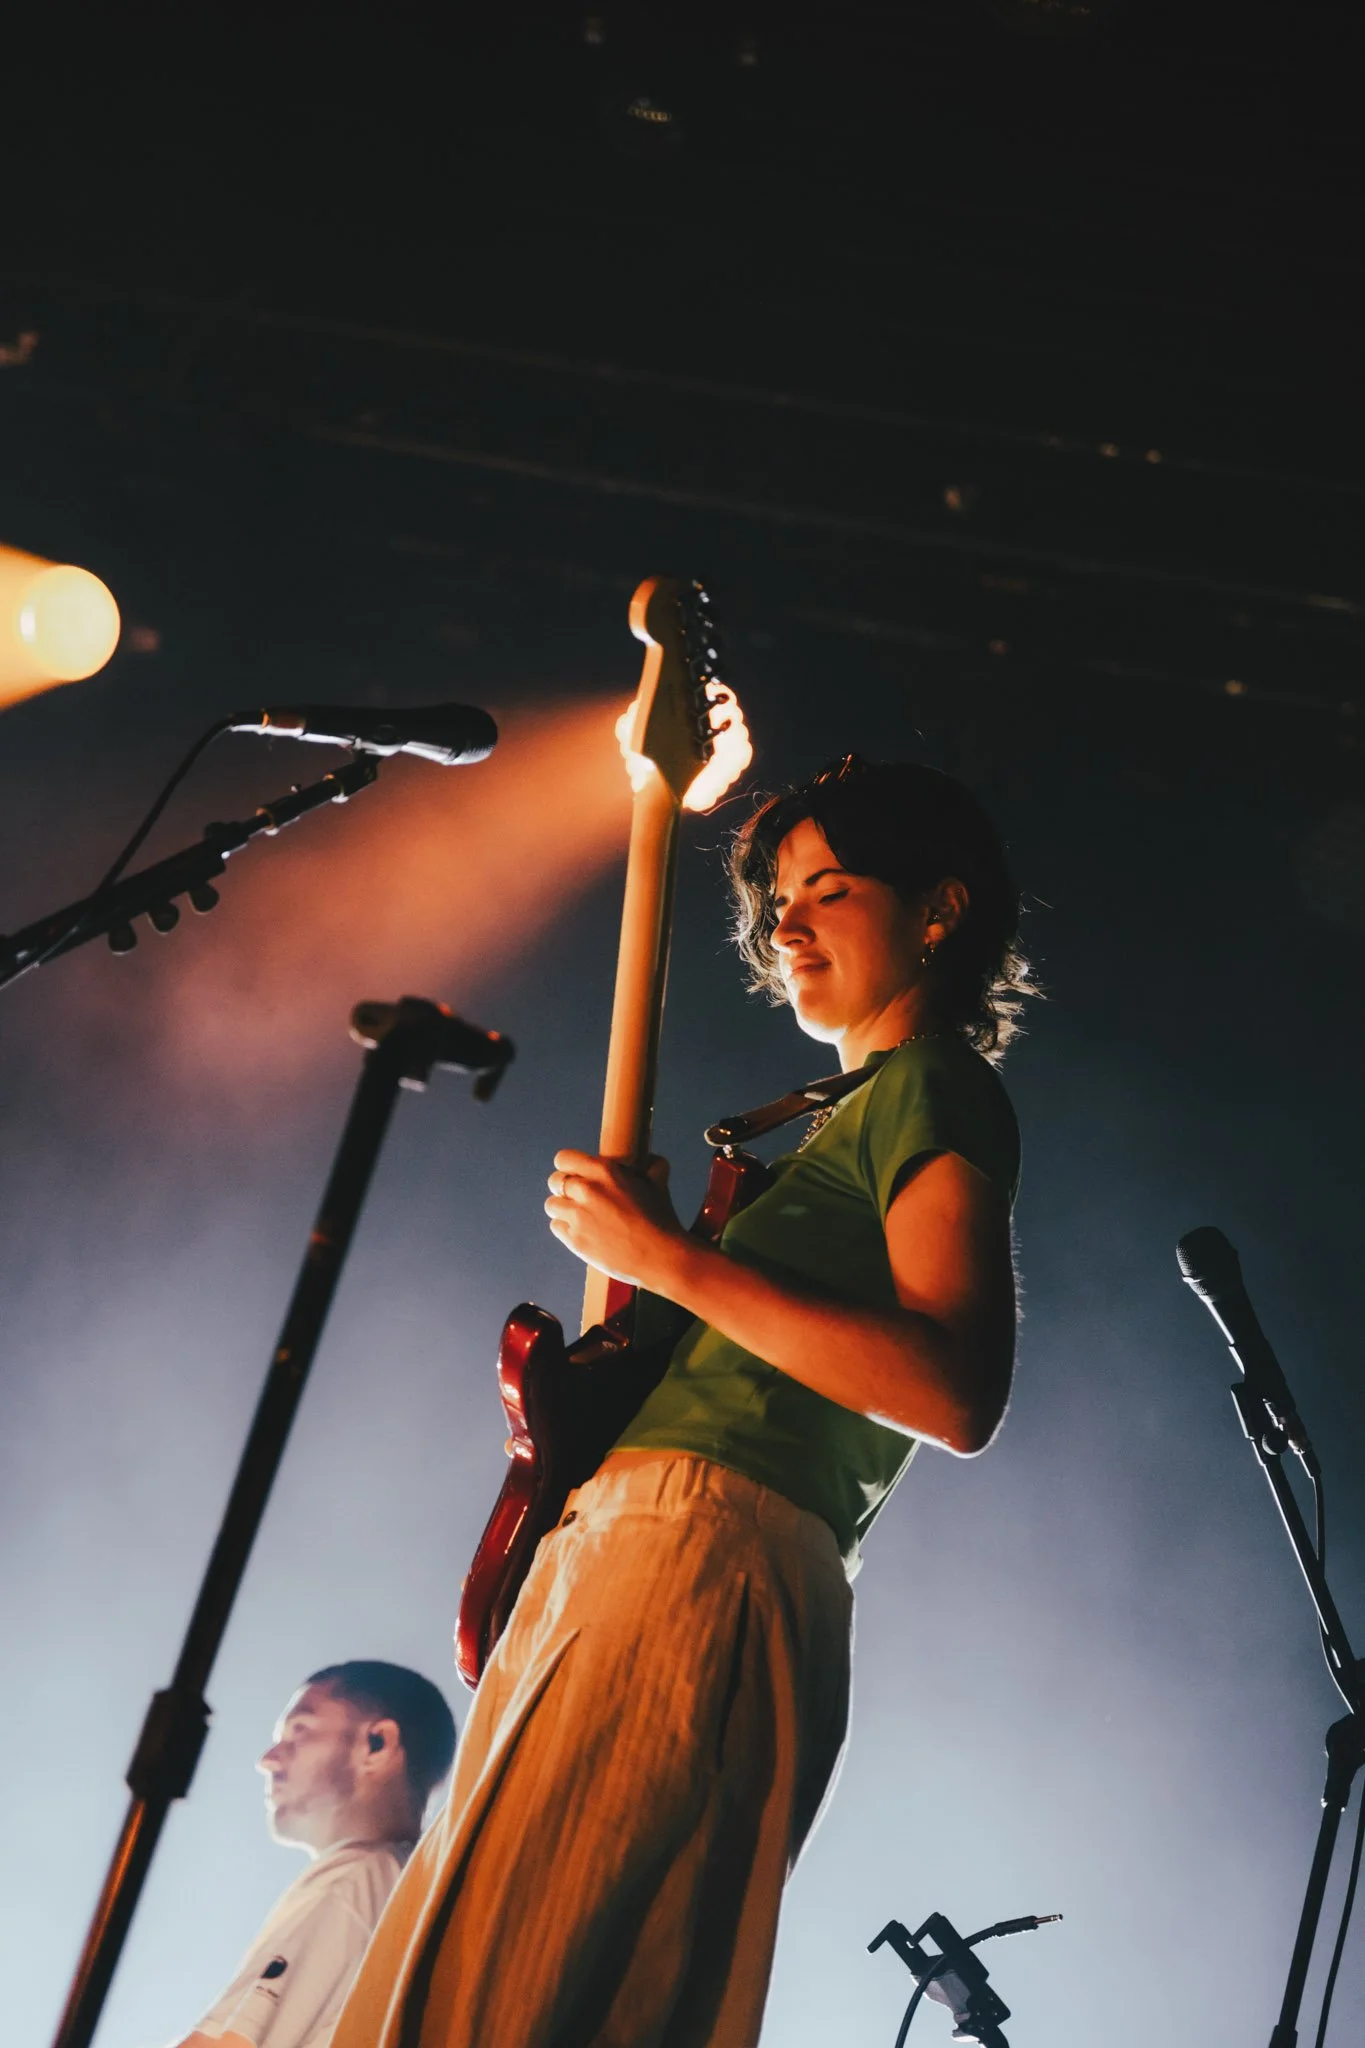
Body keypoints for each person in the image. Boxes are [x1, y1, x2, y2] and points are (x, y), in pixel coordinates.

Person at [332, 754, 1036, 2048]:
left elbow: (953, 1384)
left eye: (827, 886)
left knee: (504, 1993)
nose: (785, 922)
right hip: (660, 1549)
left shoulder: (932, 1085)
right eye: (777, 895)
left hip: (704, 1549)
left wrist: (669, 1262)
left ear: (939, 910)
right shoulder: (850, 1117)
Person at [172, 1660, 456, 2048]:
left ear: (377, 1744)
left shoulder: (355, 1881)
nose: (268, 1760)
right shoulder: (414, 1893)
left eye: (298, 1731)